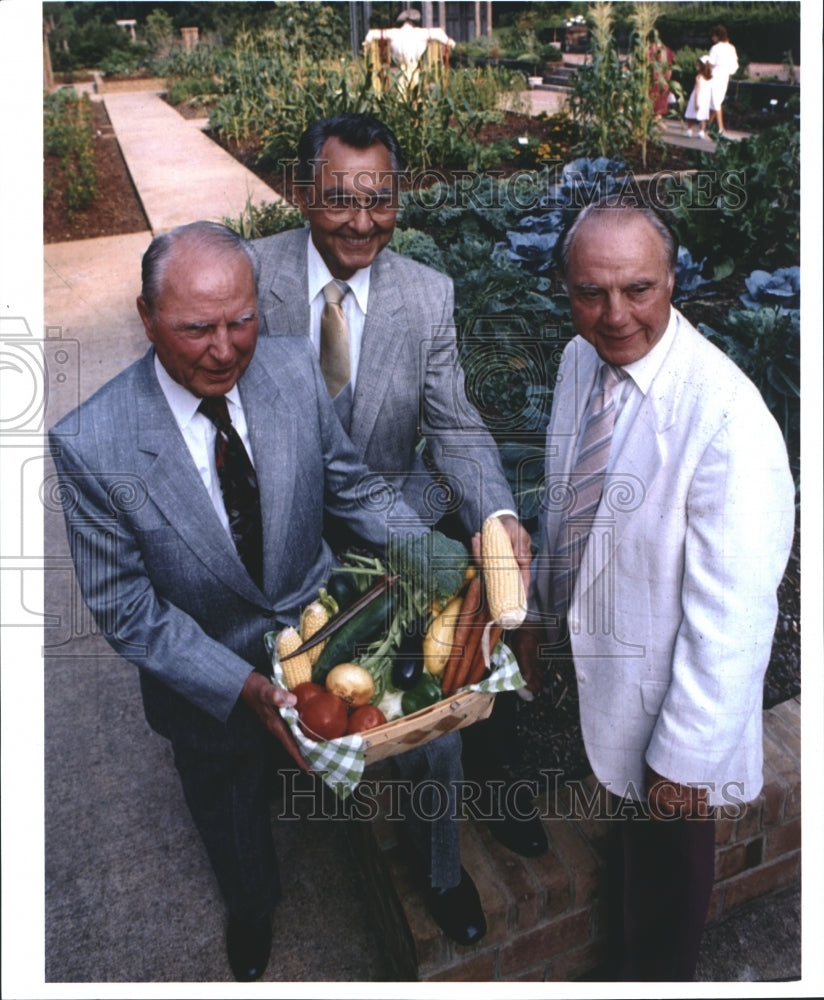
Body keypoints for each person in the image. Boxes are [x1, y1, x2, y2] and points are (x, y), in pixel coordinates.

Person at [47, 222, 486, 982]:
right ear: (146, 318)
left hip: (325, 620)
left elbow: (350, 485)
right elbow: (127, 609)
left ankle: (441, 872)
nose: (225, 349)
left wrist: (441, 563)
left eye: (241, 320)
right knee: (227, 796)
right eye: (196, 329)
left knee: (435, 736)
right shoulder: (91, 444)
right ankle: (253, 908)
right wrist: (238, 685)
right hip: (208, 668)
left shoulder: (288, 368)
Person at [253, 112, 548, 859]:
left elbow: (452, 425)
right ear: (300, 191)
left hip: (398, 518)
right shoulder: (249, 279)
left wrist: (499, 514)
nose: (362, 222)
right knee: (301, 701)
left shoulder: (425, 295)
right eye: (340, 199)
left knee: (456, 675)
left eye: (379, 199)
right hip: (283, 536)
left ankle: (452, 853)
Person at [515, 200, 795, 980]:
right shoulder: (581, 361)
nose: (614, 316)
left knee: (670, 878)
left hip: (680, 708)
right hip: (618, 670)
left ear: (673, 280)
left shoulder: (729, 423)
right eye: (590, 293)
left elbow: (733, 622)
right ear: (565, 290)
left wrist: (680, 767)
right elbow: (567, 499)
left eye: (638, 289)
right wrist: (539, 612)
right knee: (633, 836)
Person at [707, 23, 739, 136]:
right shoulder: (731, 48)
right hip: (725, 76)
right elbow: (735, 65)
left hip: (715, 75)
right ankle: (708, 125)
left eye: (713, 36)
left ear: (717, 36)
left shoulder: (715, 48)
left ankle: (720, 128)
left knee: (716, 101)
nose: (712, 38)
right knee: (717, 101)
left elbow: (710, 63)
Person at [683, 55, 713, 138]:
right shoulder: (710, 79)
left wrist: (696, 102)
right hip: (705, 99)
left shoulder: (699, 77)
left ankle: (689, 129)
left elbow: (697, 91)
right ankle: (701, 131)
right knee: (703, 115)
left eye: (698, 65)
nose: (696, 66)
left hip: (697, 97)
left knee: (691, 114)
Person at [647, 33, 675, 117]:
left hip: (651, 82)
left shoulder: (649, 50)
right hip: (663, 83)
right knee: (659, 112)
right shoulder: (667, 51)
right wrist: (667, 82)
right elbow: (670, 69)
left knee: (649, 110)